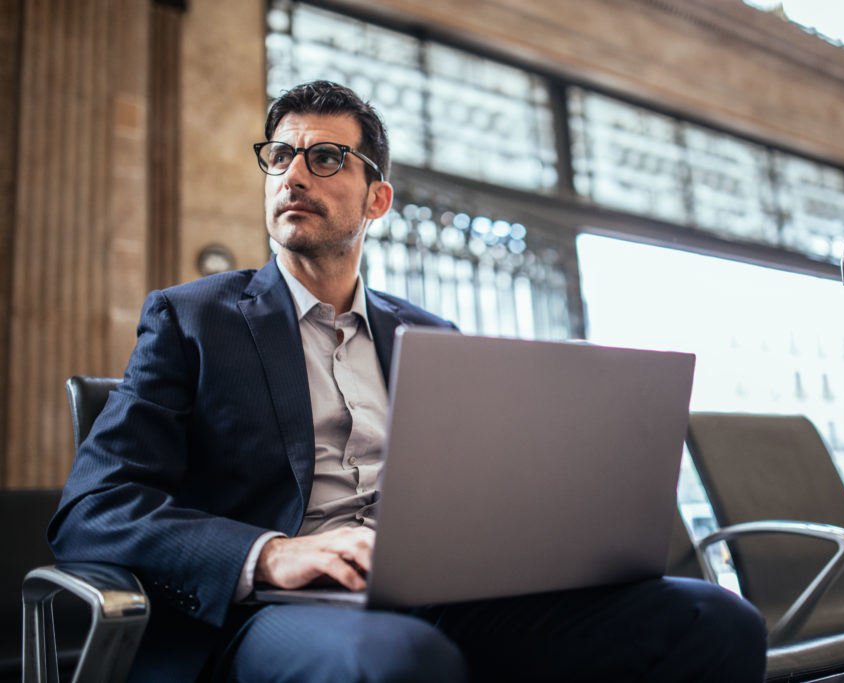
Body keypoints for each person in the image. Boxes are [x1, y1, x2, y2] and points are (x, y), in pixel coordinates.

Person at [49, 80, 767, 682]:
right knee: (403, 661)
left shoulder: (429, 338)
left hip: (442, 593)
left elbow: (475, 495)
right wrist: (270, 552)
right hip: (273, 613)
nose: (294, 175)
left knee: (714, 620)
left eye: (325, 157)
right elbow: (93, 509)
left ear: (376, 200)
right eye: (280, 156)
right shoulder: (191, 320)